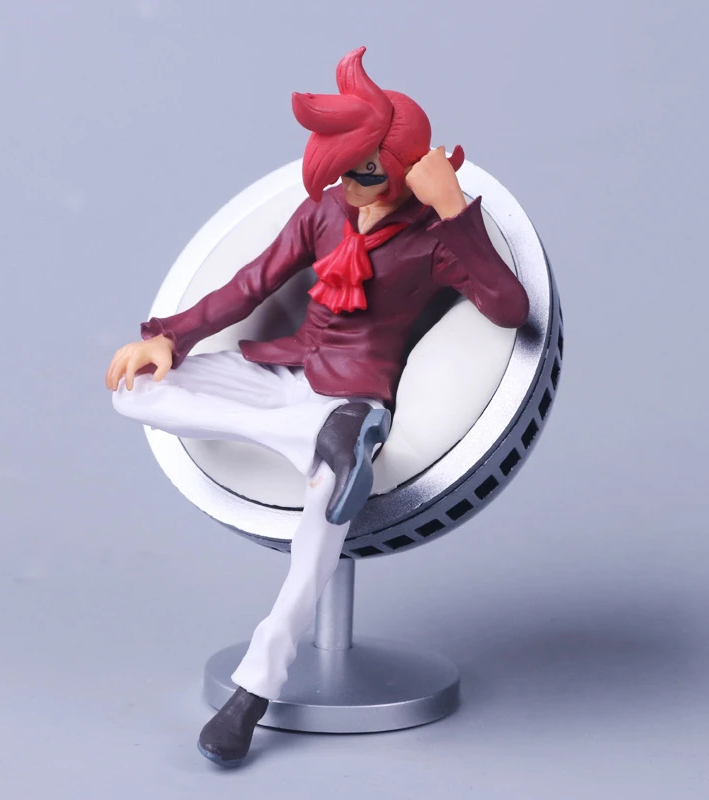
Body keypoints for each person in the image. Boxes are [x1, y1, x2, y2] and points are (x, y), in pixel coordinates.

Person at [105, 45, 530, 767]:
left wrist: (454, 209)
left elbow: (509, 306)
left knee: (319, 537)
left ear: (404, 168)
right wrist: (170, 337)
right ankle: (309, 439)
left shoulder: (434, 241)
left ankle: (252, 694)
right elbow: (252, 283)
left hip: (355, 394)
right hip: (286, 377)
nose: (348, 184)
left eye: (364, 171)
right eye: (340, 169)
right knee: (136, 394)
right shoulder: (326, 211)